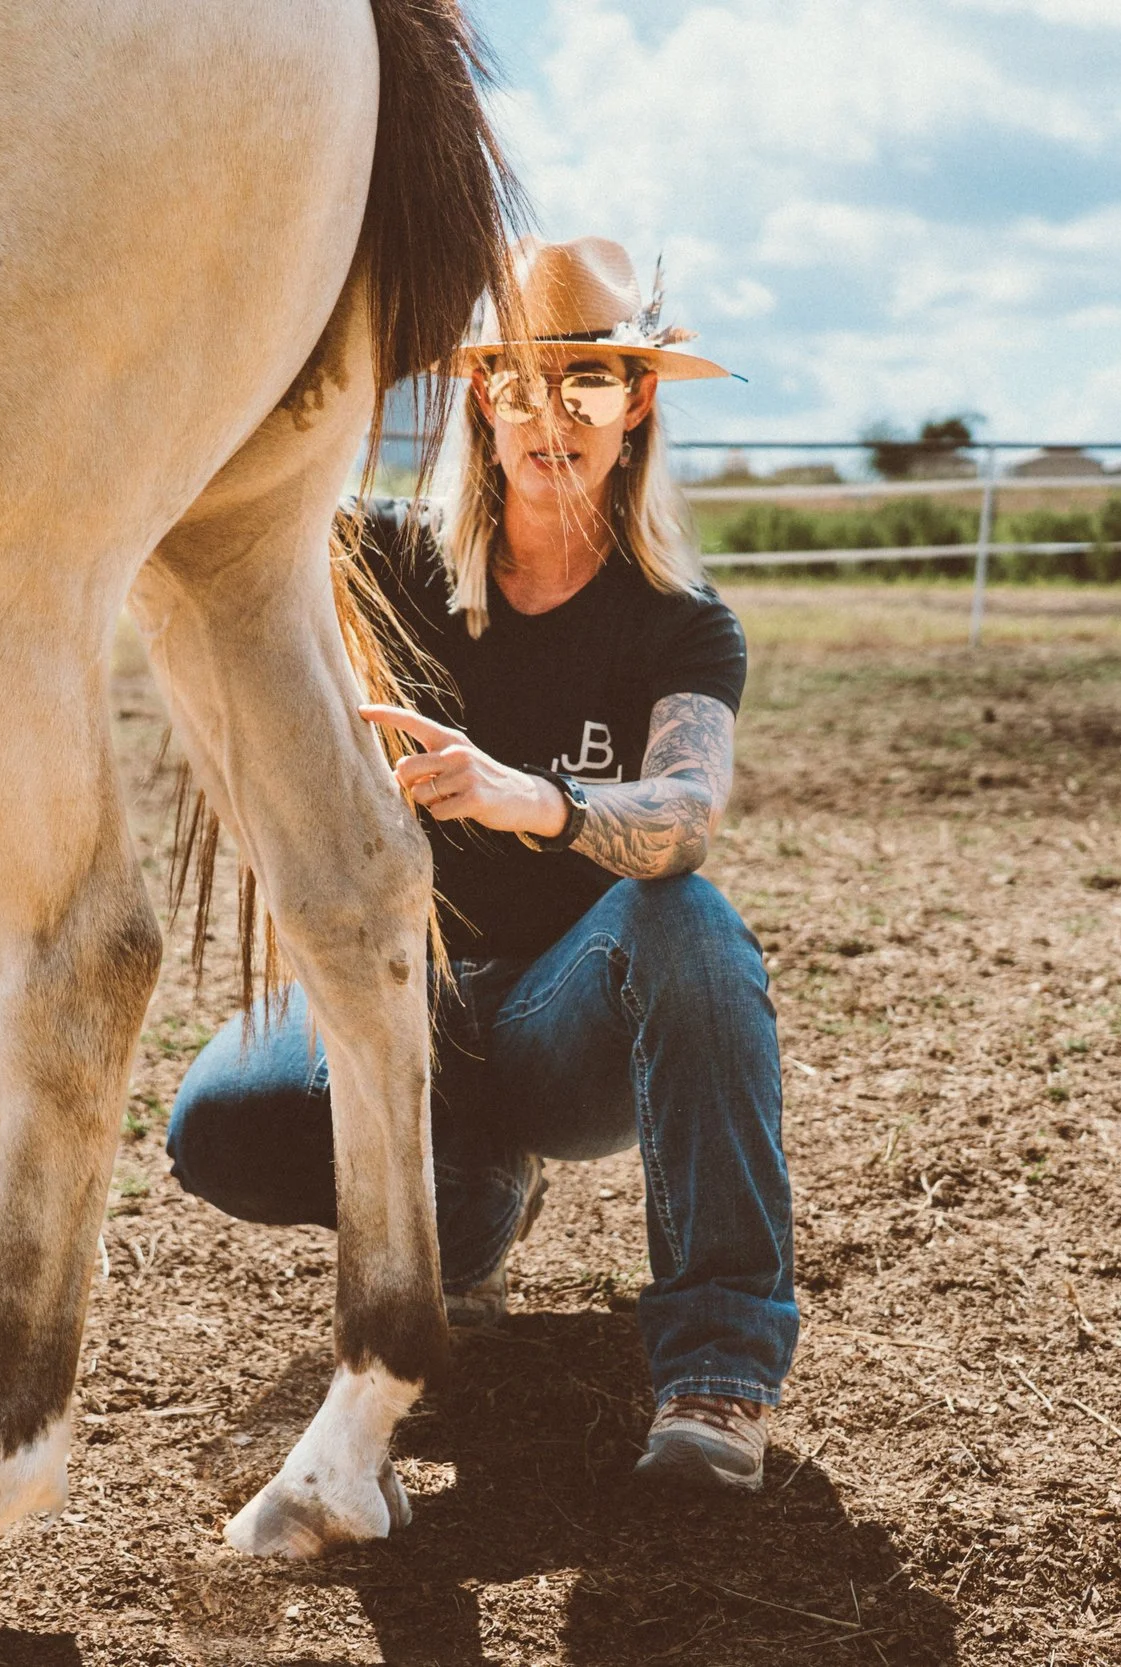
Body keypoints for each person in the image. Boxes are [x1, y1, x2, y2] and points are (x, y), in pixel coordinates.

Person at [165, 236, 793, 1493]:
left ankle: (716, 1368)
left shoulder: (679, 620)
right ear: (477, 403)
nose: (549, 413)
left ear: (640, 403)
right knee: (216, 1128)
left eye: (590, 381)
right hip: (399, 985)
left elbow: (685, 809)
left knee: (691, 923)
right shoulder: (382, 568)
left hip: (564, 1017)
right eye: (513, 381)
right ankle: (466, 1205)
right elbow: (232, 508)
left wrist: (533, 800)